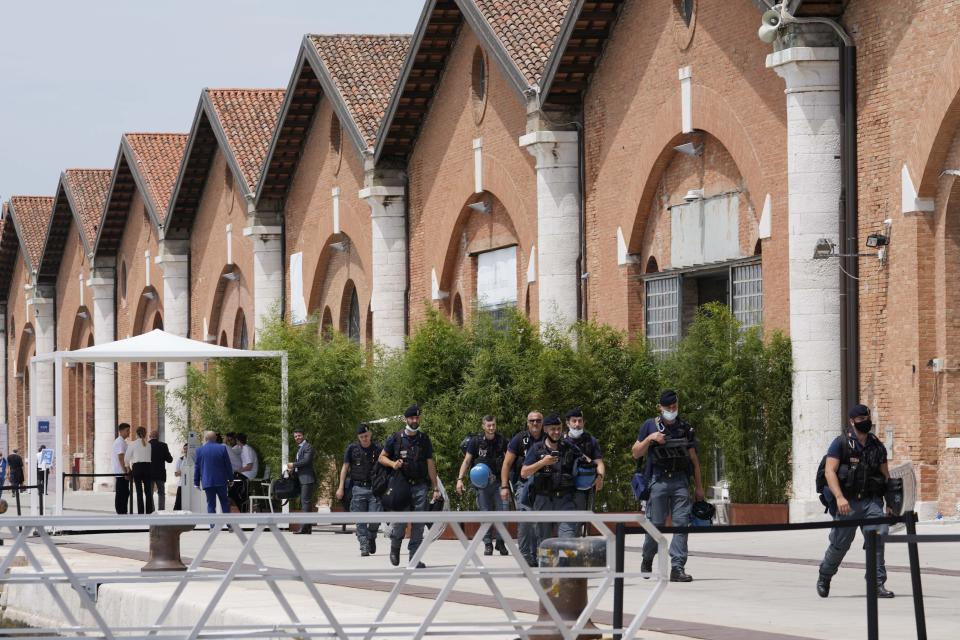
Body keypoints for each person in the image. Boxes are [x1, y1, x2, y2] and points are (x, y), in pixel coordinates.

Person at [817, 404, 895, 599]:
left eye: (866, 418)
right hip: (847, 504)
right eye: (860, 420)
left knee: (877, 539)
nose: (865, 422)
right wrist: (839, 497)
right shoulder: (841, 443)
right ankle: (825, 576)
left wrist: (891, 503)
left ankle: (876, 584)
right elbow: (829, 471)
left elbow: (885, 475)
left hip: (871, 502)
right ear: (852, 422)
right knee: (839, 545)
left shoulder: (877, 445)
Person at [632, 389, 704, 583]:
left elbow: (694, 461)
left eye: (674, 407)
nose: (672, 410)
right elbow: (635, 453)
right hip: (658, 481)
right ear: (660, 407)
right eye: (668, 407)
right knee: (656, 525)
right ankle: (647, 557)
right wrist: (650, 439)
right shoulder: (649, 425)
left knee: (681, 524)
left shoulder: (685, 428)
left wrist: (699, 487)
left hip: (680, 481)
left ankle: (677, 567)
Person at [379, 404, 440, 568]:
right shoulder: (396, 438)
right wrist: (393, 464)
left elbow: (430, 464)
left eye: (417, 418)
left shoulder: (424, 439)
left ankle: (414, 558)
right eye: (412, 418)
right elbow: (381, 458)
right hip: (401, 486)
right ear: (406, 419)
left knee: (419, 525)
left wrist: (435, 487)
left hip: (420, 486)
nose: (415, 420)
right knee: (400, 522)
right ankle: (395, 546)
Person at [522, 413, 584, 543]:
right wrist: (542, 463)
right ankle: (546, 563)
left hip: (565, 501)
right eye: (553, 429)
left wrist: (598, 475)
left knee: (568, 540)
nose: (556, 432)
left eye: (559, 429)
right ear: (545, 429)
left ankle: (566, 563)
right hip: (543, 500)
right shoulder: (536, 449)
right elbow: (524, 473)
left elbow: (587, 461)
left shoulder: (569, 447)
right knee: (545, 543)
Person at [457, 415, 509, 556]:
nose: (491, 428)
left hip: (499, 482)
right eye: (488, 425)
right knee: (485, 514)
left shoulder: (502, 441)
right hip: (482, 485)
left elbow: (509, 461)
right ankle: (487, 544)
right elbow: (467, 461)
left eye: (493, 425)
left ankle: (500, 542)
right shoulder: (475, 441)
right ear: (483, 426)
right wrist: (460, 479)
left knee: (503, 512)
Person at [501, 411, 543, 566]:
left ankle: (539, 555)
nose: (535, 423)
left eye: (538, 420)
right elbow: (506, 464)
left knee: (540, 523)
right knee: (525, 521)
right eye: (532, 420)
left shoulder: (549, 438)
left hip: (544, 486)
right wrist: (505, 486)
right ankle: (525, 557)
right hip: (523, 485)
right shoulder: (519, 439)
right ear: (527, 423)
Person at [336, 424, 383, 556]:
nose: (365, 439)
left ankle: (371, 536)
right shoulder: (352, 449)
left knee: (376, 518)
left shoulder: (378, 448)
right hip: (358, 488)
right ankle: (364, 545)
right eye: (362, 437)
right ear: (358, 437)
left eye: (366, 436)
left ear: (370, 434)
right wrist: (340, 487)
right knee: (360, 520)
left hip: (374, 489)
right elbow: (345, 468)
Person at [563, 408, 605, 518]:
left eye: (580, 421)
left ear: (584, 422)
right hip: (563, 488)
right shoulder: (560, 440)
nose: (577, 424)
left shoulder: (590, 440)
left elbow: (599, 463)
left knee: (578, 523)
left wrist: (600, 477)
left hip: (582, 489)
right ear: (567, 423)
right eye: (574, 421)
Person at [194, 430, 233, 516]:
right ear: (215, 438)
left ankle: (212, 527)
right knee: (224, 503)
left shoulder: (199, 450)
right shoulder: (222, 448)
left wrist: (196, 482)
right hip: (221, 481)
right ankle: (229, 525)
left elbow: (197, 467)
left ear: (205, 438)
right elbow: (228, 465)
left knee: (211, 505)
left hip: (208, 481)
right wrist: (231, 479)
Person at [288, 428, 316, 534]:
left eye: (299, 435)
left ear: (303, 435)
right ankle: (307, 528)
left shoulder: (307, 446)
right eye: (295, 436)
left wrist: (293, 465)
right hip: (301, 478)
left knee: (305, 503)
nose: (297, 438)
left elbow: (306, 461)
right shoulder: (300, 448)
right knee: (305, 503)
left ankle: (304, 528)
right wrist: (292, 470)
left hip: (307, 478)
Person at [128, 427, 154, 514]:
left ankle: (141, 512)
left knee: (139, 491)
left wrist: (128, 467)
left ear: (136, 433)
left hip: (137, 467)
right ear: (145, 433)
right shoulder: (149, 444)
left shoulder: (133, 444)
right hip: (148, 467)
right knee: (148, 492)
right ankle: (149, 512)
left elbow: (126, 458)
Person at [149, 430, 173, 511]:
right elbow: (170, 460)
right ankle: (161, 510)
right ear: (158, 436)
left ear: (150, 436)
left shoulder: (146, 445)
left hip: (150, 473)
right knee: (161, 493)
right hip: (160, 473)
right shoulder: (163, 445)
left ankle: (151, 510)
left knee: (150, 493)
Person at [112, 424, 131, 514]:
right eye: (127, 430)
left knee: (125, 493)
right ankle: (121, 512)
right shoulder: (120, 442)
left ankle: (123, 512)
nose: (129, 433)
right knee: (122, 494)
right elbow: (121, 457)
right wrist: (125, 472)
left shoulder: (122, 442)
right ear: (121, 431)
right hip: (121, 472)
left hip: (122, 472)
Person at [173, 443, 187, 511]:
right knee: (178, 503)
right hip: (181, 484)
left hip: (191, 485)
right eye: (184, 449)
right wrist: (184, 472)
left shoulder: (194, 460)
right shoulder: (180, 460)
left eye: (187, 449)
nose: (185, 450)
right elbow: (176, 474)